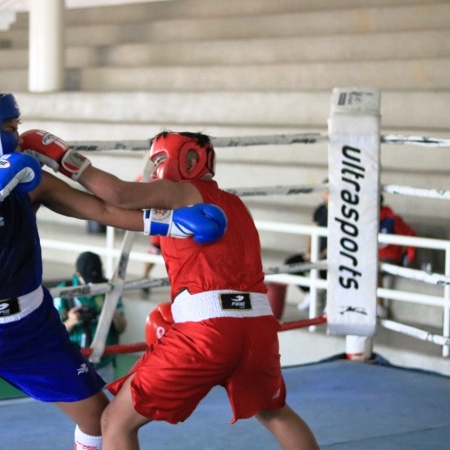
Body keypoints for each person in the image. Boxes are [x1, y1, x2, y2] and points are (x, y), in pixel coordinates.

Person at [0, 92, 226, 450]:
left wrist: (172, 223)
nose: (19, 137)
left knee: (99, 420)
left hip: (30, 329)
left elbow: (101, 211)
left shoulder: (31, 184)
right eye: (10, 128)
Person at [23, 130, 320, 449]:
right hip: (258, 328)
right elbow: (113, 211)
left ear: (190, 160)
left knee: (115, 422)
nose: (155, 168)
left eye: (159, 159)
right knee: (275, 412)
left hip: (209, 330)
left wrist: (66, 159)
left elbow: (120, 195)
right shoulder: (236, 205)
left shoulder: (181, 192)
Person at [54, 251, 127, 383]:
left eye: (95, 280)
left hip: (104, 362)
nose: (92, 285)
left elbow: (121, 328)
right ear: (77, 273)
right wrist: (71, 321)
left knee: (107, 396)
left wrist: (112, 310)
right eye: (88, 280)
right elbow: (53, 335)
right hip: (74, 362)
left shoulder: (109, 289)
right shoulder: (63, 292)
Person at [284, 180, 329, 311]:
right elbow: (312, 232)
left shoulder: (343, 213)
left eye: (330, 191)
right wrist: (310, 251)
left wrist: (325, 253)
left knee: (327, 267)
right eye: (325, 191)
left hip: (332, 255)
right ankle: (311, 293)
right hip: (317, 252)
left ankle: (331, 300)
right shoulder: (320, 209)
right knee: (291, 263)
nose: (327, 194)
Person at [377, 195, 417, 318]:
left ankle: (380, 307)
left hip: (390, 258)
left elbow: (410, 236)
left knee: (374, 270)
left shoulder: (392, 219)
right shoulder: (364, 220)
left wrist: (408, 258)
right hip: (371, 258)